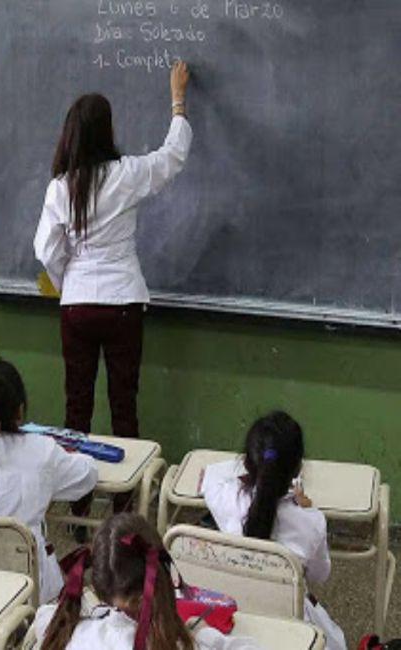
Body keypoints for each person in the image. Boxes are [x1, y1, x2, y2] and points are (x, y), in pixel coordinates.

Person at [33, 61, 192, 441]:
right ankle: (124, 501)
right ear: (107, 131)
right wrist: (178, 101)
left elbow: (45, 250)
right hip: (124, 302)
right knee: (124, 406)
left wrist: (67, 279)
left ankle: (79, 501)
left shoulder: (60, 187)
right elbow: (173, 156)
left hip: (77, 305)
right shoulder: (126, 174)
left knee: (77, 407)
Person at [0, 358, 98, 604]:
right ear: (20, 410)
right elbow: (87, 477)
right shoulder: (44, 451)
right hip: (31, 588)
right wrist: (73, 455)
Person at [201, 412, 347, 650]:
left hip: (234, 619)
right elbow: (320, 575)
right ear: (298, 467)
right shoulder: (311, 521)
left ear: (248, 462)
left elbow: (210, 475)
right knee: (335, 640)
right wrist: (305, 505)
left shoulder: (225, 498)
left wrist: (255, 468)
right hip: (289, 628)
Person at [34, 512, 262, 650]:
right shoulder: (181, 645)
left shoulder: (68, 633)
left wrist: (93, 612)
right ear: (160, 575)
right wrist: (203, 633)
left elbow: (44, 616)